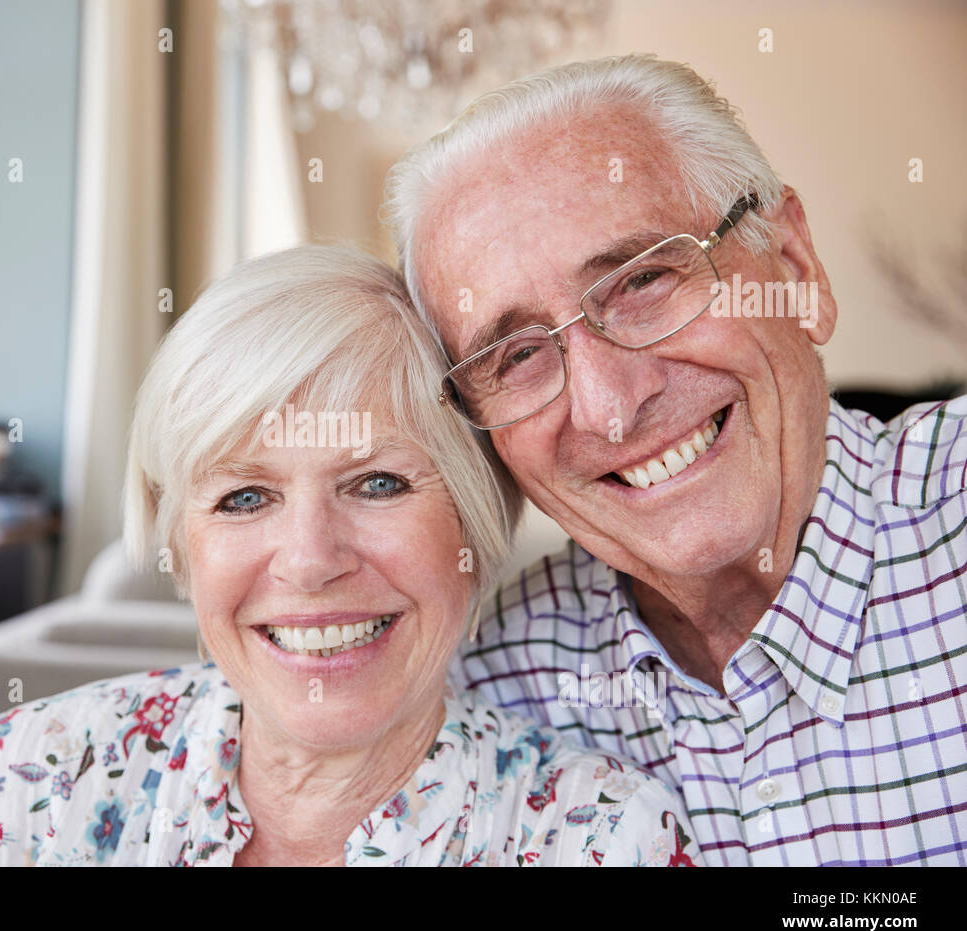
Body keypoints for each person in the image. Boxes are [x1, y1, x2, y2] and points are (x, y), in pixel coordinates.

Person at [0, 245, 697, 867]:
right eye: (244, 498)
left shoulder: (604, 837)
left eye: (377, 484)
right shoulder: (26, 777)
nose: (310, 560)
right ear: (180, 543)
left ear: (474, 524)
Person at [383, 53, 967, 866]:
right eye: (515, 357)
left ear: (795, 266)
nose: (611, 408)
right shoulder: (487, 684)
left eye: (644, 280)